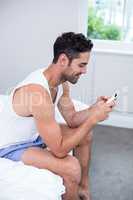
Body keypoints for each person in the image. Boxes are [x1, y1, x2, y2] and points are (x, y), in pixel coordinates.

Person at [0, 32, 115, 200]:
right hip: (12, 146)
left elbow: (72, 118)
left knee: (85, 136)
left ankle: (83, 187)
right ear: (63, 60)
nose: (85, 71)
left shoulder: (61, 83)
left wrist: (94, 109)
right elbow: (60, 150)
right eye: (81, 65)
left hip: (34, 136)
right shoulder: (37, 93)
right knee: (71, 167)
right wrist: (93, 119)